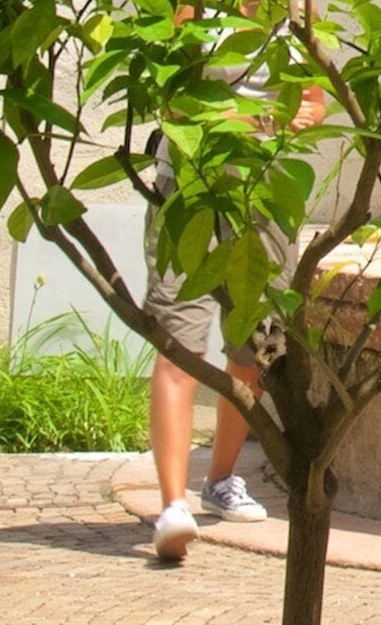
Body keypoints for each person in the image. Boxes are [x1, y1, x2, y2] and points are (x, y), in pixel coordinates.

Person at [144, 223, 267, 561]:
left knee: (256, 349)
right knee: (179, 348)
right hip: (187, 200)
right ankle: (173, 508)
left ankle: (220, 482)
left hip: (264, 204)